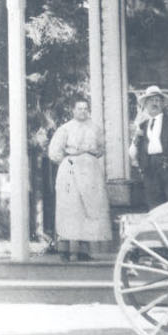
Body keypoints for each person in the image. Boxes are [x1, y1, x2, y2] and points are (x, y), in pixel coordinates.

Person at [47, 98, 111, 260]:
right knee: (71, 208)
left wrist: (90, 153)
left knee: (89, 207)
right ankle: (69, 249)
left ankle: (85, 250)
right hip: (71, 170)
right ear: (73, 110)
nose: (82, 111)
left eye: (85, 108)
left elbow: (101, 148)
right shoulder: (65, 128)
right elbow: (54, 152)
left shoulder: (95, 128)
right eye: (79, 108)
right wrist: (71, 157)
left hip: (90, 172)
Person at [129, 85, 168, 209]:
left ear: (162, 104)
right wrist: (136, 139)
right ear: (145, 105)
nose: (154, 103)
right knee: (155, 209)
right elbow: (132, 154)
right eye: (151, 100)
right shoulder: (142, 126)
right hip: (150, 173)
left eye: (157, 100)